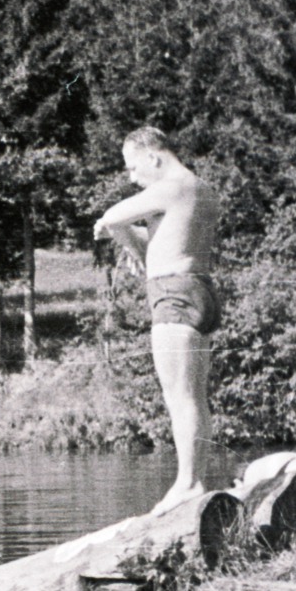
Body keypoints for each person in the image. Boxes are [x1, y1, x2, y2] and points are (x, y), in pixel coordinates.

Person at [93, 126, 224, 517]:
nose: (132, 177)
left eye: (133, 168)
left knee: (179, 397)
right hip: (198, 289)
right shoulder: (199, 189)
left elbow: (112, 217)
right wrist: (136, 243)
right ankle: (192, 479)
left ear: (153, 156)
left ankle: (188, 482)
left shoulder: (172, 185)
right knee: (193, 396)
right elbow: (166, 239)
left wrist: (120, 235)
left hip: (173, 295)